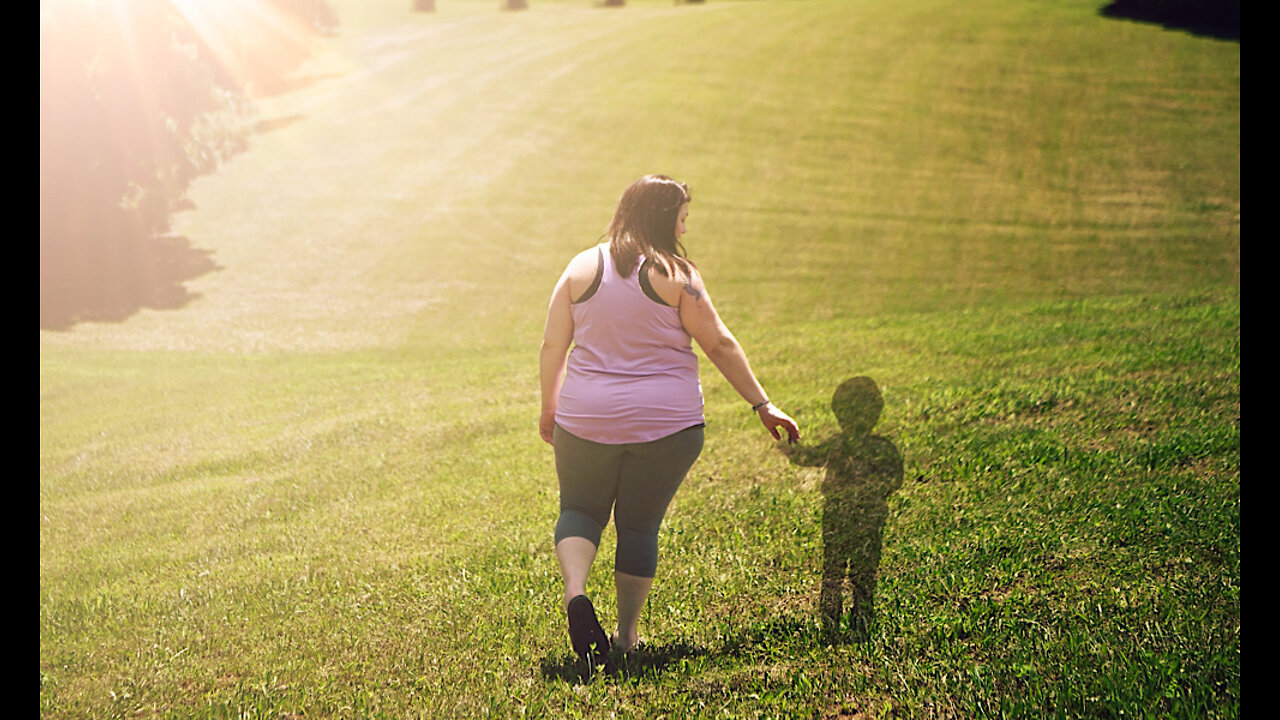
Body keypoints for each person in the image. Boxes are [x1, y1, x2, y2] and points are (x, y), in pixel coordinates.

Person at [539, 174, 801, 671]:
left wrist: (549, 406)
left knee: (579, 509)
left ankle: (576, 593)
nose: (686, 224)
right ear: (664, 218)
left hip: (585, 418)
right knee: (638, 525)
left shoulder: (579, 267)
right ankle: (626, 638)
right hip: (666, 425)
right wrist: (762, 405)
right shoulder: (678, 275)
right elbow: (719, 343)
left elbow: (554, 345)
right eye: (682, 215)